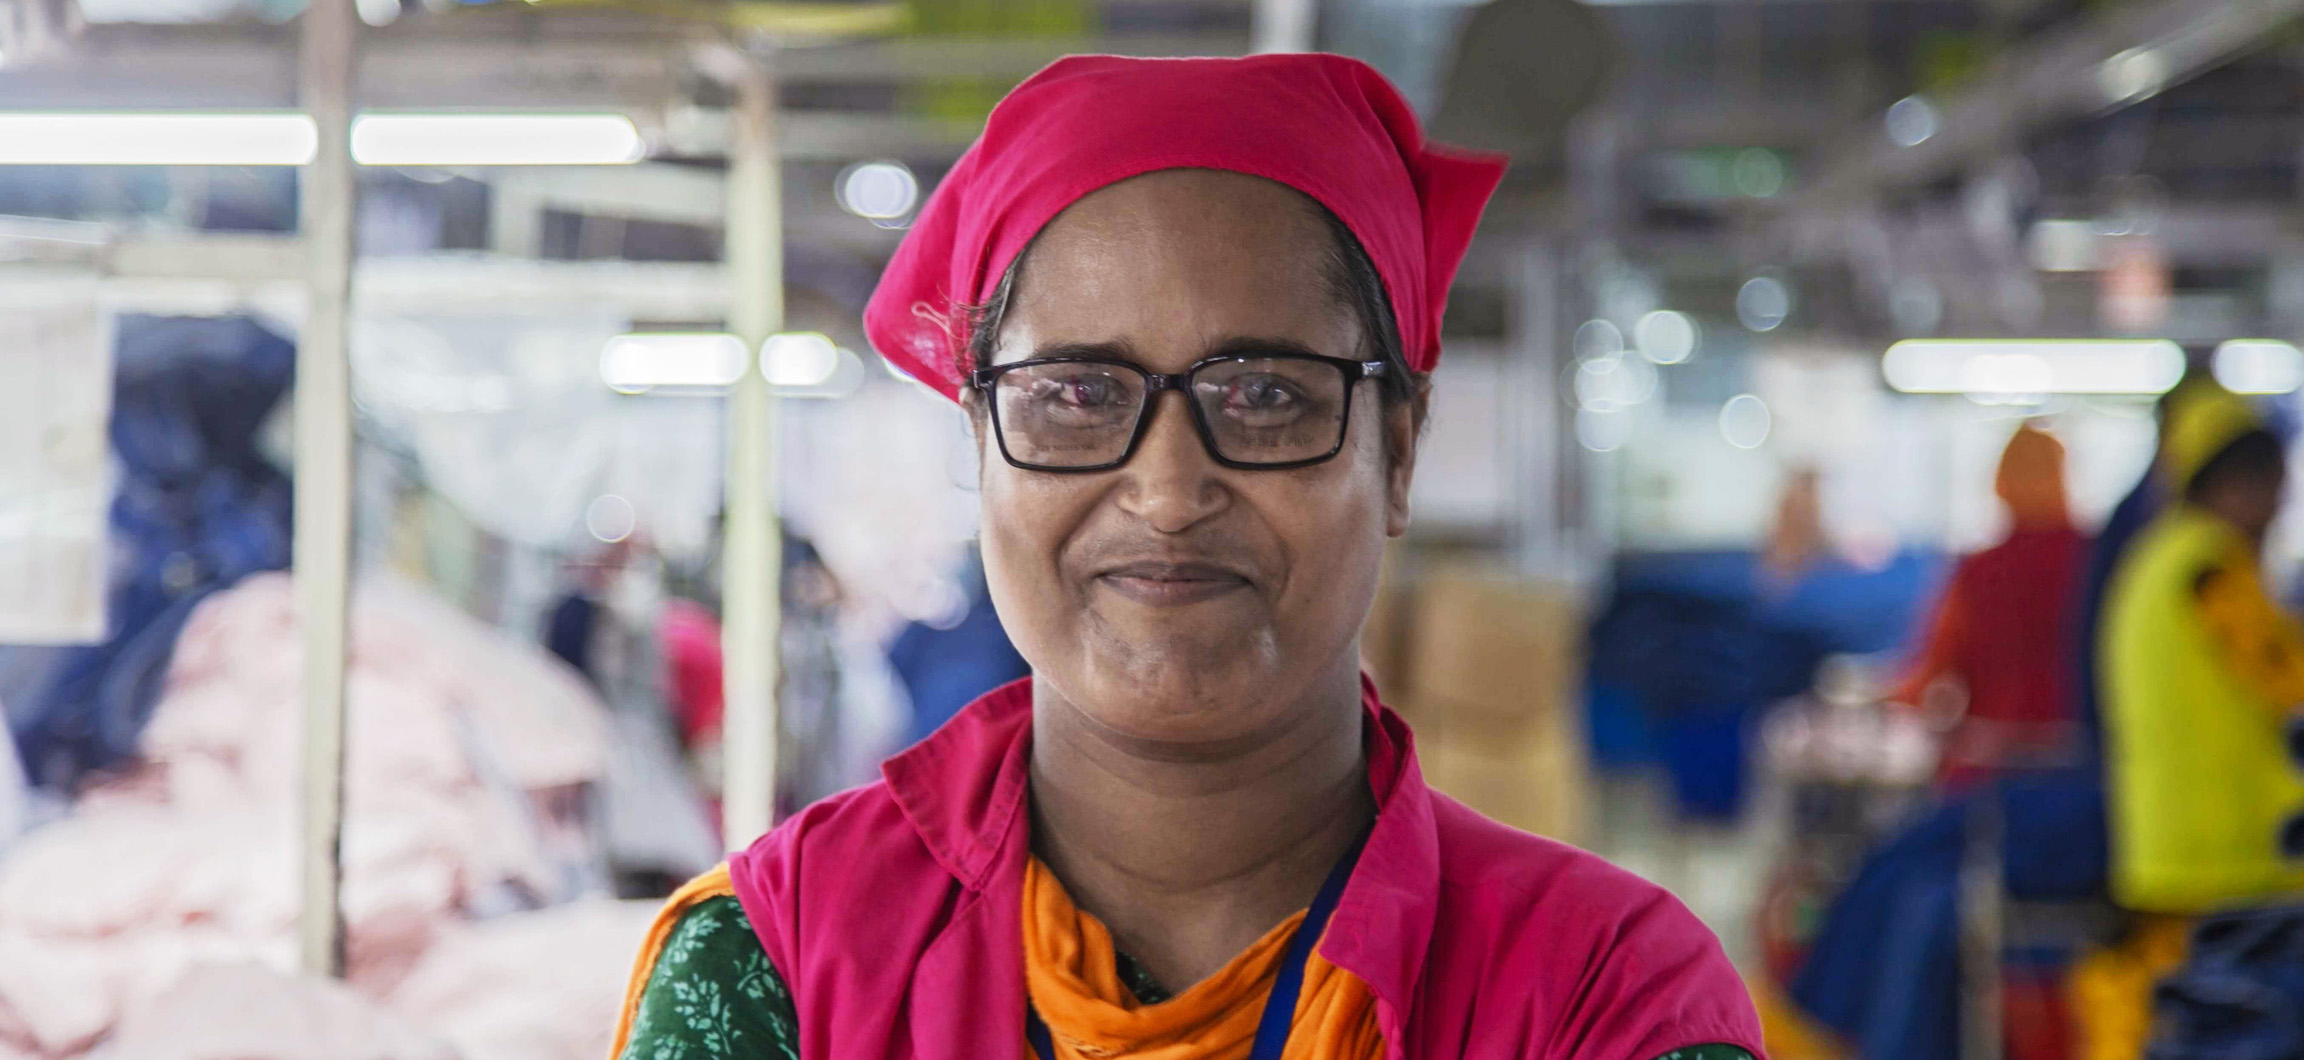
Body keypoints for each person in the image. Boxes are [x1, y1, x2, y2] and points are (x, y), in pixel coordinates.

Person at [608, 55, 1762, 1060]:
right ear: (980, 440)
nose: (1165, 492)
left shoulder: (1603, 997)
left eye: (1263, 394)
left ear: (1397, 451)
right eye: (1073, 395)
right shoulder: (778, 965)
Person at [2100, 386, 2304, 914]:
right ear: (2236, 483)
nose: (2280, 504)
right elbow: (2288, 680)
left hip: (2177, 848)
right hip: (2227, 857)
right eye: (2276, 483)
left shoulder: (2157, 558)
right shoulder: (2211, 570)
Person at [1892, 423, 2089, 788]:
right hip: (2082, 769)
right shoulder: (2096, 560)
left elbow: (1935, 671)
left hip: (1990, 771)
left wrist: (1879, 696)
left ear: (2000, 482)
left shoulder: (1979, 572)